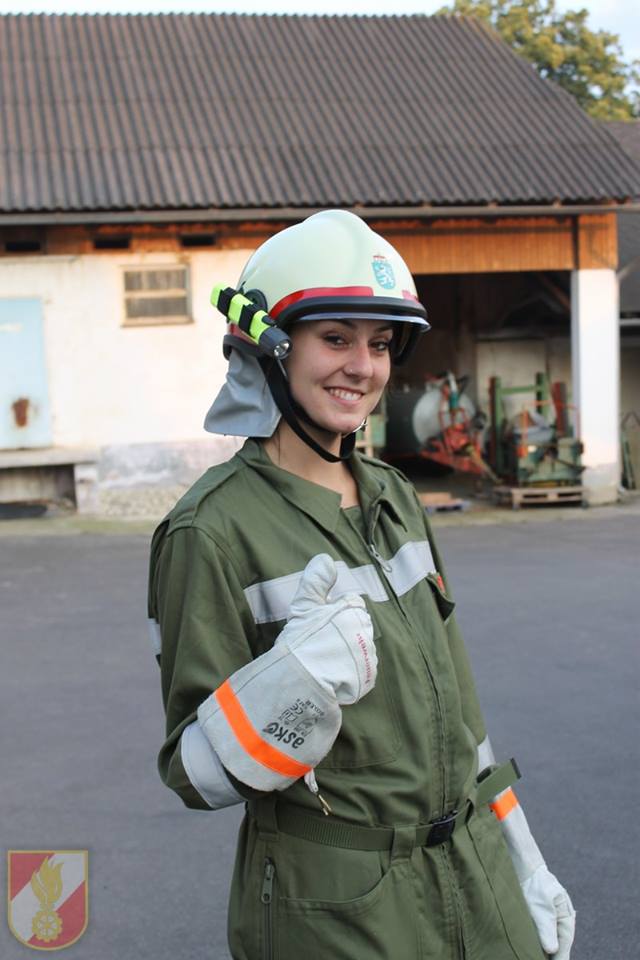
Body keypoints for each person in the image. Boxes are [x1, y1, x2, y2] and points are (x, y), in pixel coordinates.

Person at [148, 210, 575, 960]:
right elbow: (193, 773)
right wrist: (290, 692)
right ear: (269, 347)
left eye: (379, 344)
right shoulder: (208, 531)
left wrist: (519, 850)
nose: (364, 367)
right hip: (338, 905)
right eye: (336, 338)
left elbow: (460, 705)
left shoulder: (394, 495)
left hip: (471, 868)